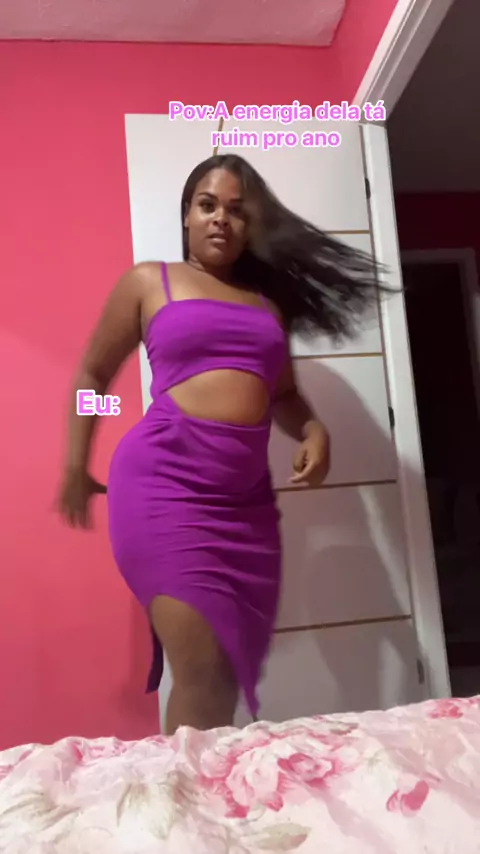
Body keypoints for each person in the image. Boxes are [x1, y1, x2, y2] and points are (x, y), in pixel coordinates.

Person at [57, 153, 384, 735]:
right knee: (202, 672)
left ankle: (205, 784)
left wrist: (313, 428)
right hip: (164, 490)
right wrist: (77, 462)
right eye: (207, 205)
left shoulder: (267, 305)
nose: (221, 220)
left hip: (244, 507)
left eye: (236, 210)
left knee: (224, 675)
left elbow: (284, 395)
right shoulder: (149, 281)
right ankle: (188, 789)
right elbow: (93, 376)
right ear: (186, 214)